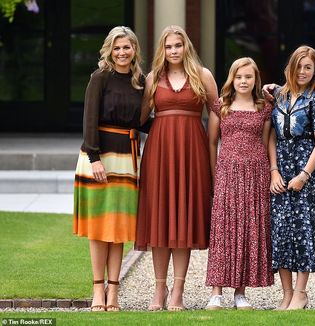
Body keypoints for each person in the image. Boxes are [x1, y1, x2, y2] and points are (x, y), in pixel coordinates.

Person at [135, 25, 218, 311]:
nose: (173, 51)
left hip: (192, 150)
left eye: (178, 46)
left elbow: (218, 114)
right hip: (159, 152)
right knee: (160, 219)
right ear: (163, 49)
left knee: (183, 219)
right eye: (169, 47)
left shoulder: (203, 75)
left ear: (187, 47)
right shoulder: (152, 78)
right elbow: (140, 117)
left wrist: (215, 152)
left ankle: (178, 292)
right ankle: (159, 289)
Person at [73, 26, 145, 312]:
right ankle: (97, 291)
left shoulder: (141, 81)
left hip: (127, 159)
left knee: (119, 228)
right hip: (99, 158)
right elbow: (89, 118)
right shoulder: (100, 77)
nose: (122, 52)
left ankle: (113, 292)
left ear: (134, 49)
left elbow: (142, 120)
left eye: (127, 47)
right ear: (109, 50)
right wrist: (94, 157)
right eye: (117, 48)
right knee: (99, 228)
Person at [267, 45, 315, 310]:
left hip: (306, 168)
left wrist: (304, 175)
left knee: (303, 228)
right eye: (300, 66)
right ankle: (285, 294)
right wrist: (274, 170)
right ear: (291, 67)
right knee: (281, 230)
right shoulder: (279, 96)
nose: (303, 71)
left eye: (309, 67)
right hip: (281, 166)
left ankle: (301, 292)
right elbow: (271, 135)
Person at [205, 57, 274, 310]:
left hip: (256, 174)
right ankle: (216, 292)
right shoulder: (220, 106)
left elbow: (266, 143)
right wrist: (214, 176)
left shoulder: (264, 107)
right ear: (232, 79)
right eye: (239, 76)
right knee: (224, 229)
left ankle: (240, 292)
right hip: (227, 172)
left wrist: (269, 173)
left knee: (248, 230)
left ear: (256, 79)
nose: (243, 81)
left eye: (248, 76)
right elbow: (212, 143)